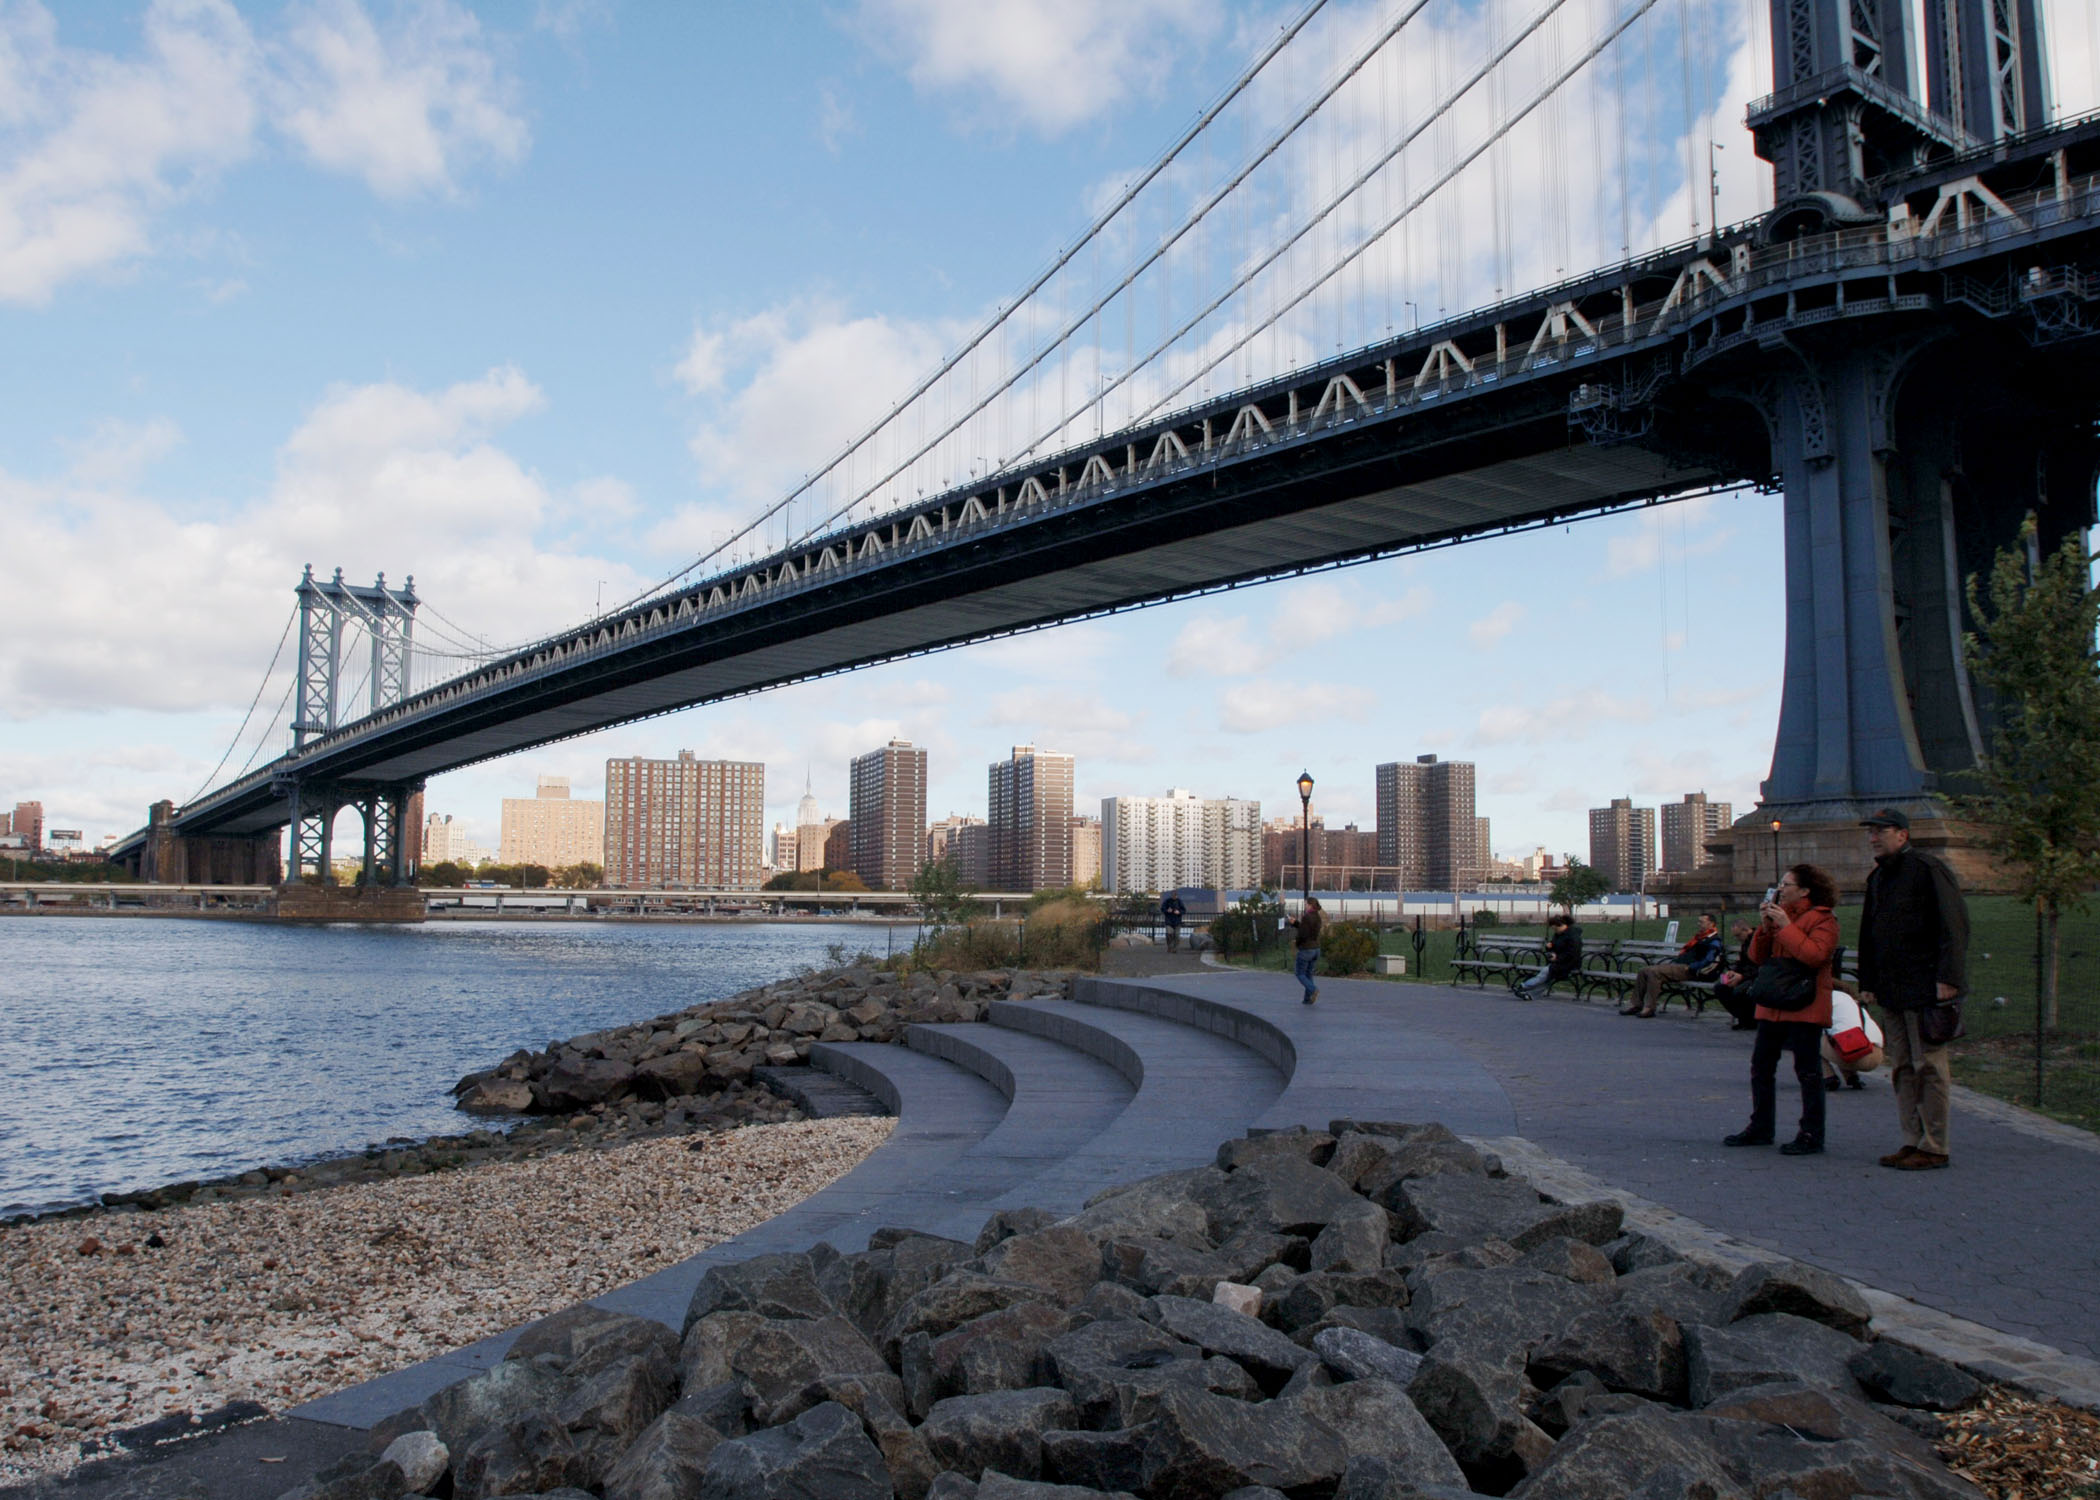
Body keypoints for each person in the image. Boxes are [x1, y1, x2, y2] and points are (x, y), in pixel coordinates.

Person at [1857, 807, 1970, 1171]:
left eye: (1881, 831)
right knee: (1903, 1067)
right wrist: (1868, 982)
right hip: (1892, 988)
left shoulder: (1927, 869)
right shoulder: (1878, 877)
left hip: (1925, 987)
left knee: (1930, 1066)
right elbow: (1869, 934)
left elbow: (1953, 925)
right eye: (1871, 832)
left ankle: (1935, 1145)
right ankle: (1911, 1139)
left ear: (1902, 834)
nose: (1873, 837)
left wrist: (1949, 977)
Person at [1724, 863, 1840, 1155]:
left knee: (1807, 1070)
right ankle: (1760, 1126)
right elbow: (1757, 958)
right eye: (1780, 884)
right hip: (1773, 1002)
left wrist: (1787, 927)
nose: (1780, 890)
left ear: (1805, 890)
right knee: (1761, 1066)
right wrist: (1765, 928)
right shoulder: (1778, 916)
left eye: (1787, 885)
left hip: (1804, 1002)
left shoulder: (1823, 919)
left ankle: (1811, 1132)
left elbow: (1815, 956)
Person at [1621, 912, 1725, 1017]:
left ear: (1711, 924)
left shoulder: (1714, 941)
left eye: (1701, 922)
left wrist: (1692, 967)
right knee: (1644, 971)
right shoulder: (1700, 938)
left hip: (1690, 970)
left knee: (1653, 972)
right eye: (1698, 921)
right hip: (1680, 966)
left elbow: (1708, 960)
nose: (1699, 924)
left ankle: (1649, 1008)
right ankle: (1636, 1005)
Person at [1822, 981, 1885, 1091]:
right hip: (1876, 1054)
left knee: (1810, 1038)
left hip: (1853, 1056)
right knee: (1843, 1036)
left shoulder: (1825, 1000)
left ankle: (1828, 1077)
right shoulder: (1854, 1003)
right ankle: (1852, 1077)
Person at [1514, 913, 1582, 1000]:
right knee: (1548, 976)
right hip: (1559, 962)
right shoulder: (1558, 934)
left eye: (1554, 928)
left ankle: (1523, 987)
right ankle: (1529, 994)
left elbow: (1573, 953)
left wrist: (1557, 957)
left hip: (1570, 963)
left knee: (1546, 973)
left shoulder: (1573, 936)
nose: (1554, 931)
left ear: (1558, 926)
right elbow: (1554, 947)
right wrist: (1549, 947)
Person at [1712, 921, 1760, 1029]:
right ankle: (1743, 1018)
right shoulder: (1745, 943)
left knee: (1740, 991)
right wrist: (1733, 971)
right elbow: (1742, 962)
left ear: (1746, 930)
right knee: (1720, 987)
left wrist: (1742, 976)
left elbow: (1760, 965)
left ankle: (1749, 1020)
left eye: (1738, 935)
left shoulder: (1758, 940)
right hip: (1746, 975)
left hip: (1756, 976)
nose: (1737, 939)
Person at [1285, 897, 1324, 1005]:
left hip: (1306, 949)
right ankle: (1307, 998)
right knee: (1308, 974)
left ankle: (1313, 989)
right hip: (1316, 948)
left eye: (1306, 904)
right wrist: (1295, 923)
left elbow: (1303, 934)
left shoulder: (1307, 917)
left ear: (1310, 905)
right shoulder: (1317, 917)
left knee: (1300, 973)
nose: (1305, 906)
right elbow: (1307, 930)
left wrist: (1297, 943)